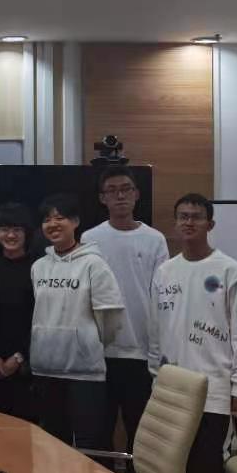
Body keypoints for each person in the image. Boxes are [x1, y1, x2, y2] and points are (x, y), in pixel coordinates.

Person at [149, 193, 237, 473]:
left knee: (209, 464)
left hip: (215, 388)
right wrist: (156, 377)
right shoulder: (164, 272)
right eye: (183, 216)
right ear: (175, 223)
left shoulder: (230, 270)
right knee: (182, 466)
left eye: (196, 217)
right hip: (174, 387)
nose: (189, 222)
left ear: (210, 224)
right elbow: (155, 329)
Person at [28, 194, 125, 451]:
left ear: (75, 222)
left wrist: (86, 341)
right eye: (47, 220)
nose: (53, 224)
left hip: (84, 372)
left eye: (60, 218)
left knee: (88, 445)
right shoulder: (39, 266)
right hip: (45, 369)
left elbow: (110, 318)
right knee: (52, 445)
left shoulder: (94, 264)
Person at [84, 167, 169, 455]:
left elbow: (162, 297)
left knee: (140, 433)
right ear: (102, 198)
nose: (120, 195)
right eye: (112, 190)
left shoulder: (155, 239)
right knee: (99, 432)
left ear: (136, 194)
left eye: (126, 189)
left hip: (141, 352)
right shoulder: (89, 239)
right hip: (100, 353)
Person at [0, 203, 38, 423]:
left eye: (17, 230)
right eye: (4, 229)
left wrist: (19, 356)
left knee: (24, 428)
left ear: (27, 233)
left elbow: (40, 316)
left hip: (27, 363)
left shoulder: (38, 267)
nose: (10, 235)